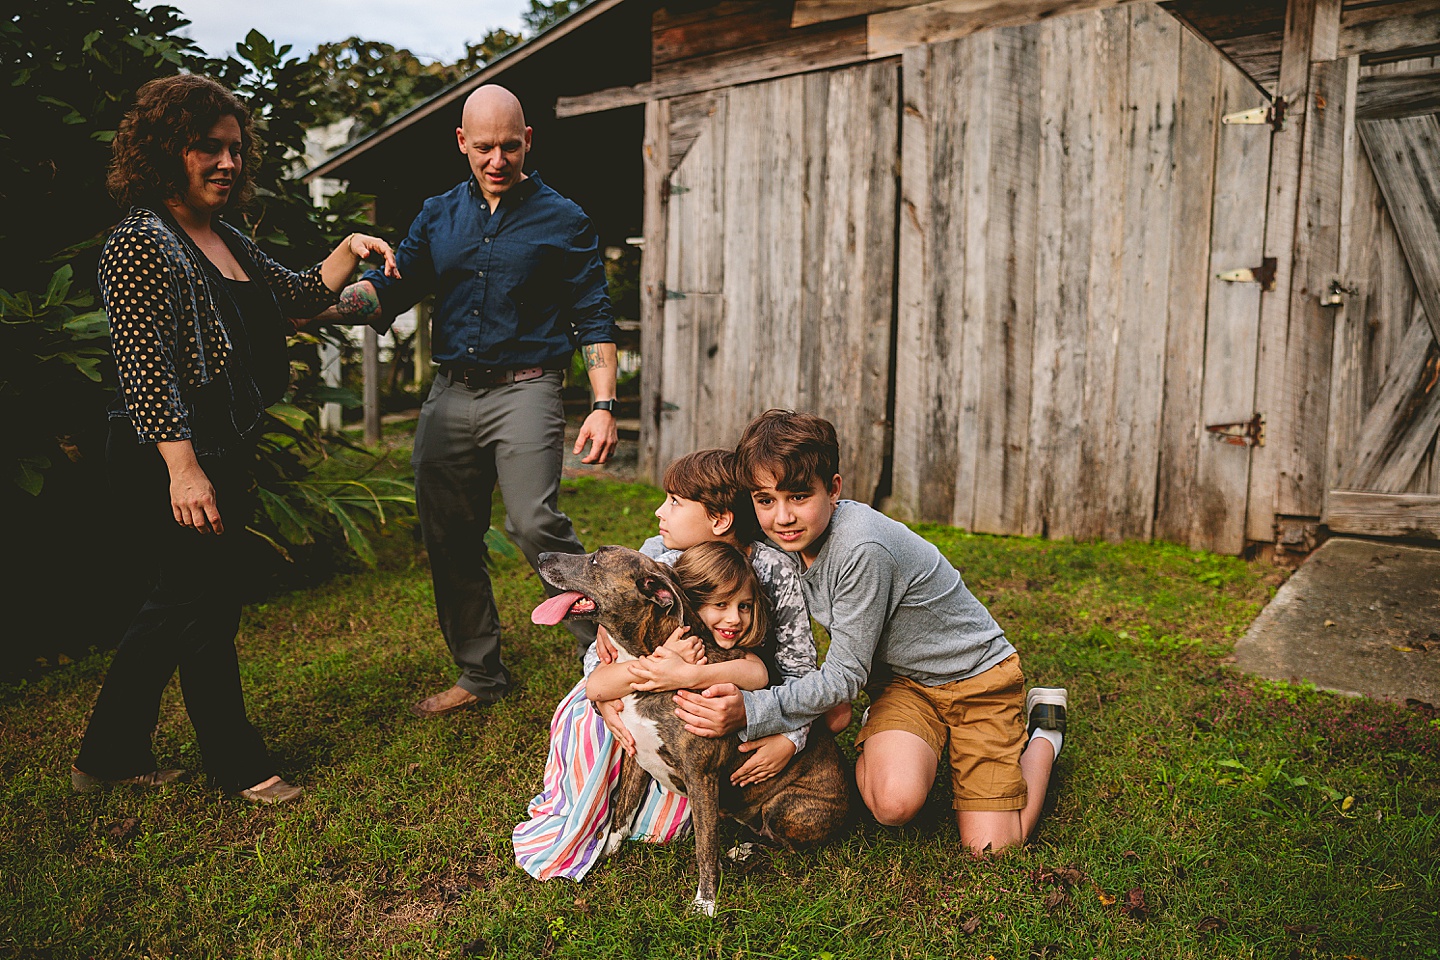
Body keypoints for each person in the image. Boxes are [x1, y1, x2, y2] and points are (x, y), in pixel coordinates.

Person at [72, 75, 400, 804]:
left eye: (234, 149)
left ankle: (113, 753)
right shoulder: (138, 244)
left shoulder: (225, 238)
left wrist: (349, 246)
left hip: (223, 445)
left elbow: (300, 292)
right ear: (164, 152)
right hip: (167, 454)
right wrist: (183, 471)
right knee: (190, 604)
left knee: (198, 606)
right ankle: (233, 763)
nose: (227, 162)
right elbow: (144, 369)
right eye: (206, 148)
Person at [314, 84, 619, 718]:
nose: (497, 159)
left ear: (528, 140)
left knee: (534, 523)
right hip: (451, 393)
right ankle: (480, 673)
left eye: (510, 145)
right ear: (462, 143)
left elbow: (593, 316)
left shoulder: (565, 220)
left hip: (527, 388)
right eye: (484, 147)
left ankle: (619, 650)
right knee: (448, 535)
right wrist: (317, 307)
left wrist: (603, 403)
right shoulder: (437, 215)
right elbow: (389, 293)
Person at [674, 411, 1069, 854]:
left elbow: (844, 678)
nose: (782, 516)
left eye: (799, 496)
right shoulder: (778, 535)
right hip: (904, 683)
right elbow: (680, 540)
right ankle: (890, 733)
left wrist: (752, 709)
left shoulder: (862, 548)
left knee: (992, 849)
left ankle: (1044, 736)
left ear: (834, 489)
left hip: (976, 681)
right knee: (892, 805)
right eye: (765, 500)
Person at [512, 451, 821, 881]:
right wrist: (605, 696)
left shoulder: (771, 567)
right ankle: (593, 811)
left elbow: (799, 672)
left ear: (719, 520)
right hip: (645, 688)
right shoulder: (656, 556)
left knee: (832, 715)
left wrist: (790, 737)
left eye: (675, 502)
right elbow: (603, 651)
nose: (659, 511)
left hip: (733, 701)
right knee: (586, 718)